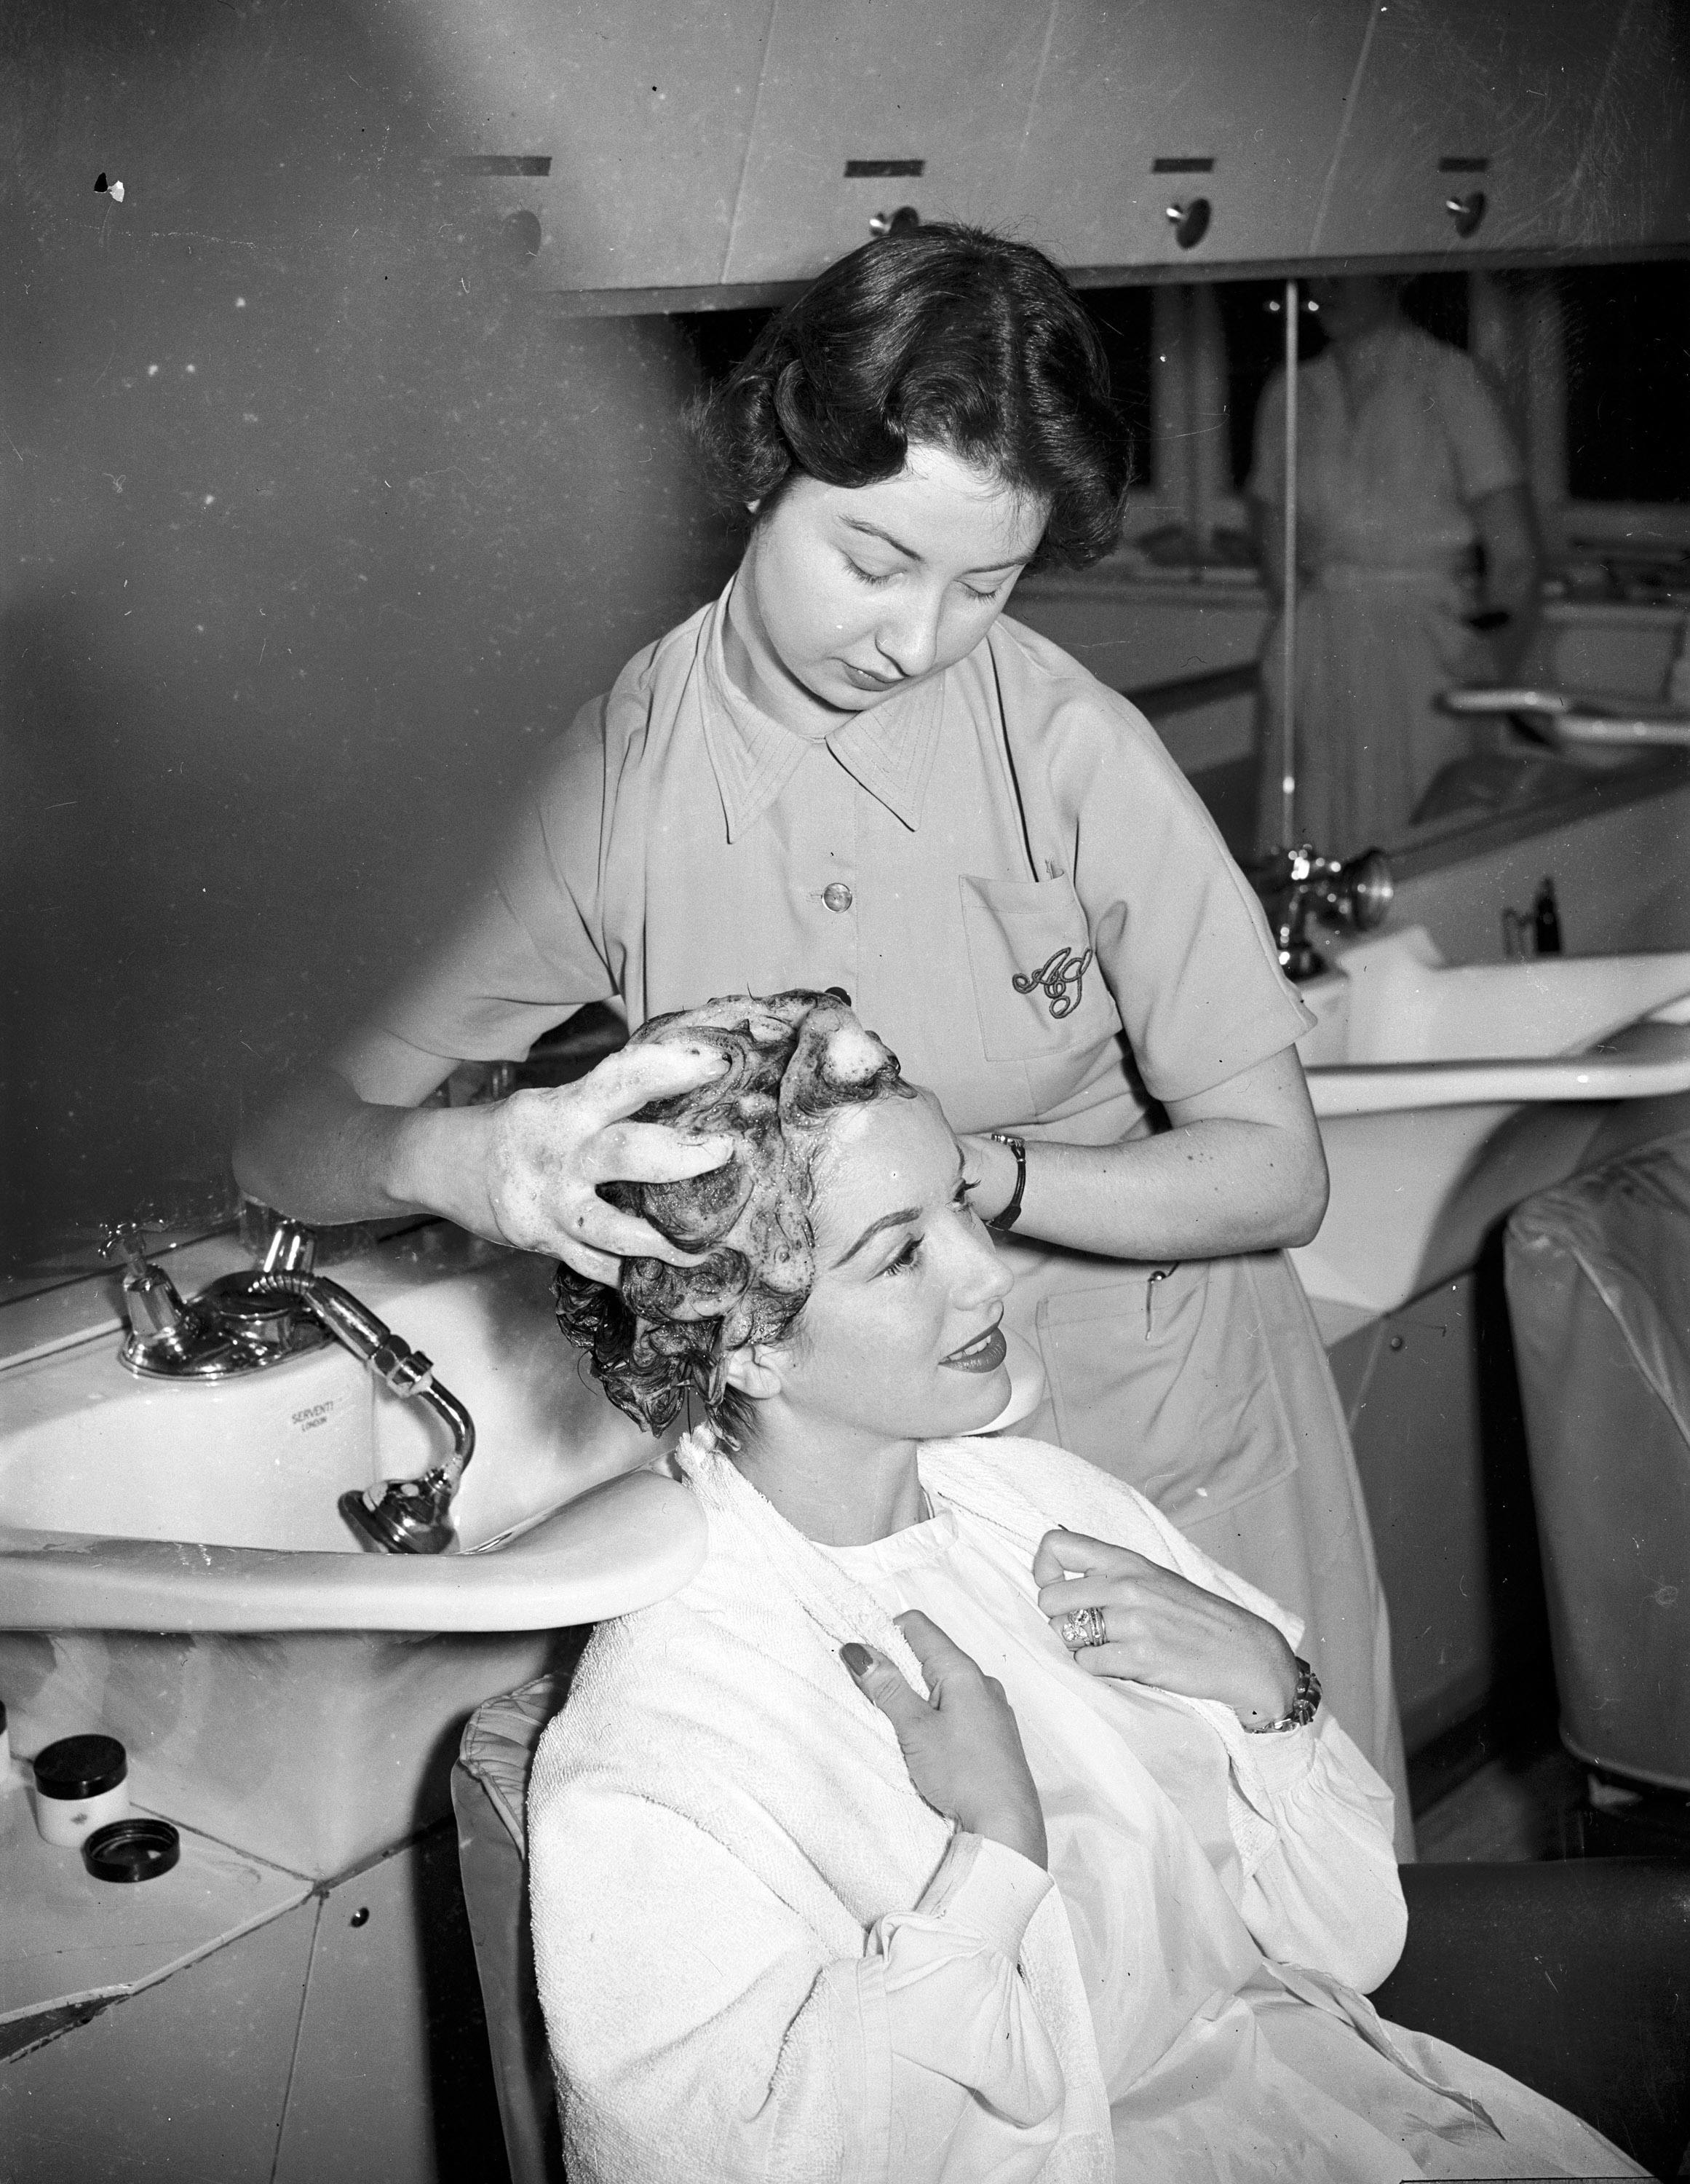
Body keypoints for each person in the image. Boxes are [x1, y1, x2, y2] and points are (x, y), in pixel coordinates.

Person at [234, 224, 1410, 1843]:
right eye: (875, 562)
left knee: (1276, 1909)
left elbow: (1276, 1177)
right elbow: (284, 1137)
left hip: (1172, 1444)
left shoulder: (1067, 749)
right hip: (879, 1492)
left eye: (984, 584)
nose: (919, 640)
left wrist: (964, 1185)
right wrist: (476, 1157)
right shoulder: (615, 787)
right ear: (768, 465)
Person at [528, 991, 1638, 2184]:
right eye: (903, 1252)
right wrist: (992, 1855)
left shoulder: (1044, 1508)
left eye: (959, 1201)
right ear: (747, 1339)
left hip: (1326, 2112)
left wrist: (1273, 1691)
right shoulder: (668, 1727)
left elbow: (1352, 1939)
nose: (987, 1275)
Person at [1250, 275, 1542, 859]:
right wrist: (1302, 623)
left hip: (1427, 654)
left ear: (1395, 277)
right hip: (1322, 652)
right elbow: (1271, 528)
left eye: (1347, 270)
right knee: (1313, 834)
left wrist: (1484, 667)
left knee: (1418, 838)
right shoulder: (1293, 390)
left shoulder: (1451, 379)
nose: (1326, 288)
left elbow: (1516, 557)